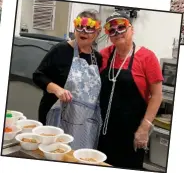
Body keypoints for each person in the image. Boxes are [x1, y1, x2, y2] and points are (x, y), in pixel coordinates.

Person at [97, 11, 163, 170]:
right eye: (111, 30)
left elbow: (157, 95)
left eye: (121, 27)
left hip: (132, 132)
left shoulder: (147, 57)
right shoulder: (104, 55)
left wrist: (144, 127)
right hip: (104, 129)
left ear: (131, 29)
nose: (117, 32)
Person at [33, 9, 103, 150]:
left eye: (89, 28)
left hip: (83, 122)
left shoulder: (98, 59)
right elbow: (38, 75)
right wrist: (57, 89)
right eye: (80, 27)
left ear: (97, 32)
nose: (83, 32)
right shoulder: (60, 50)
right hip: (56, 115)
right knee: (52, 152)